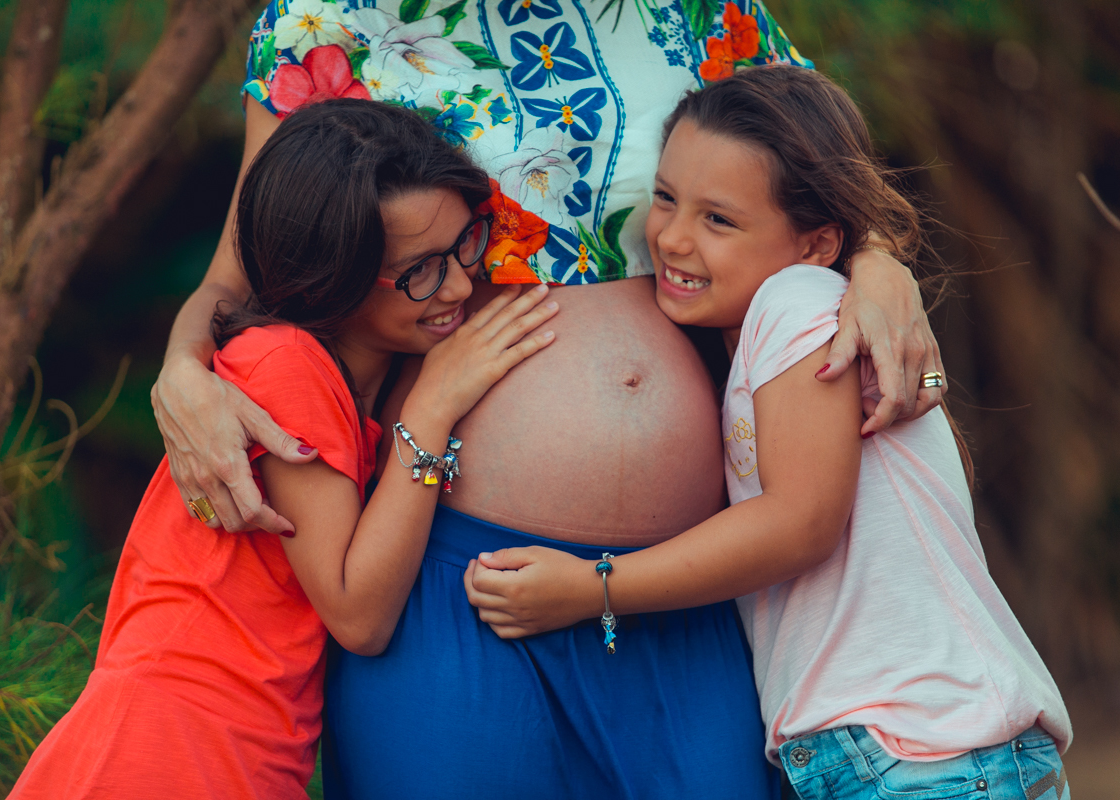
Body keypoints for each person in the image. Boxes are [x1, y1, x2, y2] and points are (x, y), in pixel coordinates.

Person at [150, 0, 948, 796]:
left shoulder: (698, 12)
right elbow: (244, 273)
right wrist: (183, 369)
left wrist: (878, 260)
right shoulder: (326, 23)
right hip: (465, 578)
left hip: (687, 583)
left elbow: (822, 184)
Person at [464, 66, 1073, 800]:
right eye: (664, 199)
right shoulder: (768, 327)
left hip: (922, 752)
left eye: (718, 219)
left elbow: (802, 522)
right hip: (892, 751)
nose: (674, 238)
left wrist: (593, 587)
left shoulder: (800, 301)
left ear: (816, 244)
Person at [8, 100, 559, 800]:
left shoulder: (334, 376)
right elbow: (358, 615)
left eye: (467, 246)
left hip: (221, 744)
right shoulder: (284, 366)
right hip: (175, 746)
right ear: (335, 272)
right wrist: (431, 408)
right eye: (420, 271)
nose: (457, 285)